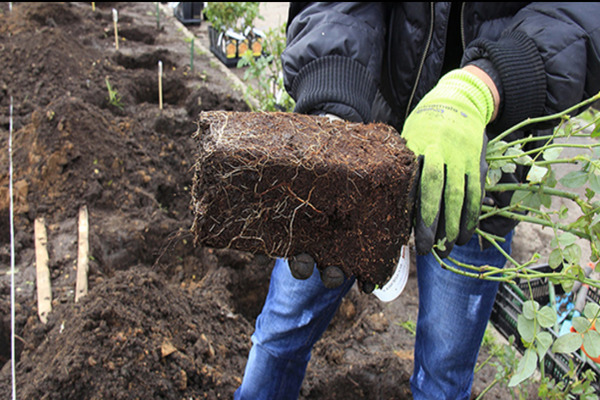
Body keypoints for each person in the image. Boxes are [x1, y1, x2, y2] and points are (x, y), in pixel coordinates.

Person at [234, 3, 600, 399]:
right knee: (281, 329)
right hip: (362, 155)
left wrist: (489, 81)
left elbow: (580, 15)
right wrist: (334, 112)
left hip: (478, 178)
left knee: (442, 380)